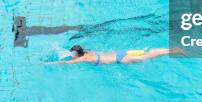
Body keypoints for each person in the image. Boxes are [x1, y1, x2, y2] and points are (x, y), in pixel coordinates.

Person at [53, 45, 183, 65]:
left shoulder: (84, 57)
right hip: (122, 52)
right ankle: (170, 49)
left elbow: (67, 63)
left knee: (148, 56)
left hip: (122, 59)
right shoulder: (87, 52)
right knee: (148, 52)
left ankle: (173, 51)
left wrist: (50, 63)